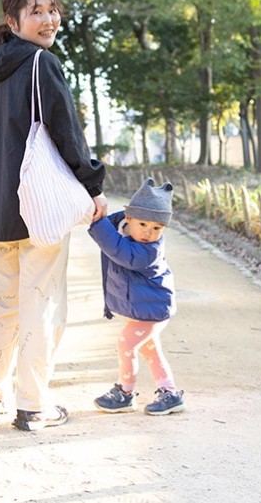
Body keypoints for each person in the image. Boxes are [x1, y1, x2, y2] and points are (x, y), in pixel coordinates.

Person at [0, 0, 107, 431]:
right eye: (35, 12)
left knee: (1, 302)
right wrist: (92, 185)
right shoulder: (42, 63)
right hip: (37, 207)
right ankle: (33, 404)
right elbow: (66, 133)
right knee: (40, 302)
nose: (47, 20)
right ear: (13, 21)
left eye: (51, 10)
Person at [87, 178, 185, 416]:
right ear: (127, 218)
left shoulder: (147, 251)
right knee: (150, 349)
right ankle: (169, 392)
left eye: (157, 228)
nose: (148, 233)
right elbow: (115, 229)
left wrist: (99, 224)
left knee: (126, 344)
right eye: (143, 224)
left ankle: (125, 392)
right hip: (145, 308)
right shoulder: (122, 228)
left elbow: (121, 252)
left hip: (154, 310)